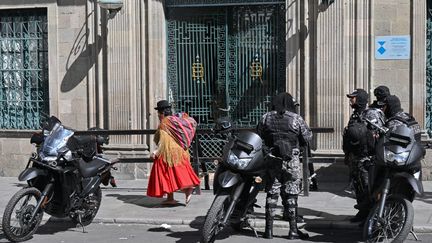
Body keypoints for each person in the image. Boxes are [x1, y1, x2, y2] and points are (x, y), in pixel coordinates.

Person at [257, 92, 312, 240]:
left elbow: (259, 134)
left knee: (272, 192)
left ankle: (268, 231)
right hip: (291, 160)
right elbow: (307, 137)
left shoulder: (266, 117)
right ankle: (293, 230)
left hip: (272, 159)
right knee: (291, 193)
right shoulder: (295, 119)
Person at [146, 100, 201, 206]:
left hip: (169, 153)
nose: (157, 115)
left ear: (161, 113)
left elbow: (164, 140)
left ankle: (187, 190)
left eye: (158, 113)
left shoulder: (165, 123)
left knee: (166, 174)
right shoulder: (174, 119)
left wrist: (156, 152)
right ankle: (170, 198)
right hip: (181, 152)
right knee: (173, 173)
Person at [343, 88, 384, 224]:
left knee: (368, 187)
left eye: (353, 98)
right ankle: (362, 212)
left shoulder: (371, 114)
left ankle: (371, 217)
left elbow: (378, 135)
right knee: (358, 185)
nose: (350, 100)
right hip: (355, 157)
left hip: (367, 157)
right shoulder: (355, 115)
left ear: (360, 99)